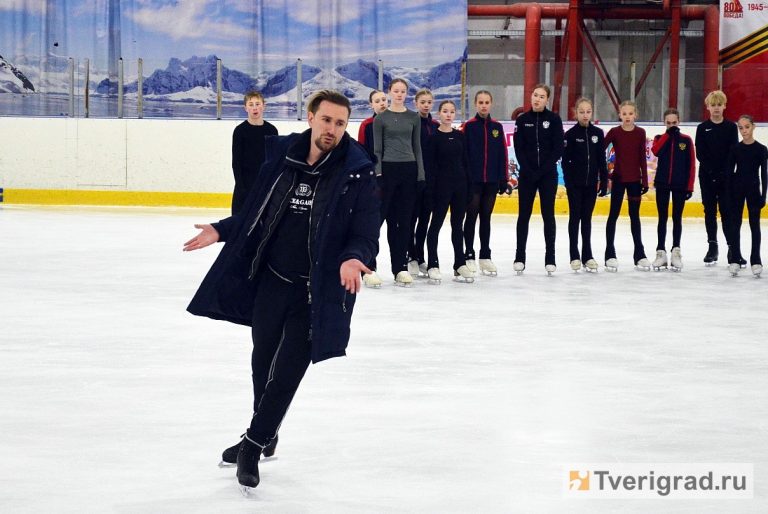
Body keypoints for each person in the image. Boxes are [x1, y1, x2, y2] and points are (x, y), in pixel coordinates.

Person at [183, 90, 380, 494]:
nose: (332, 130)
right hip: (272, 280)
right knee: (262, 363)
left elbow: (365, 233)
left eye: (340, 123)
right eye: (326, 120)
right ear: (311, 117)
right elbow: (255, 212)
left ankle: (253, 445)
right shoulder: (283, 158)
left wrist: (352, 257)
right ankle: (267, 432)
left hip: (316, 291)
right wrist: (221, 229)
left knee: (288, 371)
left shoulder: (356, 171)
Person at [373, 78, 425, 286]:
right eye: (396, 91)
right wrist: (378, 173)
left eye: (403, 91)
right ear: (390, 92)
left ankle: (400, 267)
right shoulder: (381, 119)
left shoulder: (414, 117)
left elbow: (417, 147)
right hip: (388, 171)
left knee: (403, 222)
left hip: (409, 171)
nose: (399, 94)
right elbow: (377, 149)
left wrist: (420, 175)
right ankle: (369, 266)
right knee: (378, 220)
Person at [513, 84, 564, 274]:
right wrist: (528, 169)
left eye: (542, 96)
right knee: (523, 215)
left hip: (547, 175)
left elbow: (558, 147)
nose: (537, 99)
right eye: (535, 95)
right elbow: (519, 148)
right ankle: (520, 256)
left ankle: (550, 257)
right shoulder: (522, 120)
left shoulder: (554, 120)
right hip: (527, 175)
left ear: (547, 100)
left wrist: (543, 170)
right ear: (531, 97)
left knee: (548, 215)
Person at [424, 100, 475, 283]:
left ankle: (459, 263)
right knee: (435, 225)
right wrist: (430, 191)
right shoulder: (433, 138)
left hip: (460, 186)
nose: (448, 115)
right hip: (441, 188)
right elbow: (430, 168)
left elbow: (466, 162)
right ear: (439, 114)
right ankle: (433, 264)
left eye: (452, 112)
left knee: (457, 226)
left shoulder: (460, 136)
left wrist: (469, 187)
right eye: (445, 111)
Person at [462, 90, 509, 275]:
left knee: (486, 218)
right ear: (475, 104)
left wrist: (503, 178)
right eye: (480, 102)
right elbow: (464, 154)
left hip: (491, 181)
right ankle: (469, 254)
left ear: (491, 104)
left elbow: (502, 154)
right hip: (473, 181)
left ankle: (485, 256)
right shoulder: (469, 127)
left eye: (486, 102)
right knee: (471, 217)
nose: (483, 105)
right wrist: (465, 178)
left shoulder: (497, 127)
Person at [603, 100, 651, 271]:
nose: (627, 117)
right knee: (613, 215)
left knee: (634, 216)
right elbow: (600, 148)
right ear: (620, 115)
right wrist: (605, 174)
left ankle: (640, 254)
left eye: (630, 113)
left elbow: (642, 158)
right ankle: (609, 253)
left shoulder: (640, 133)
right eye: (624, 114)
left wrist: (645, 181)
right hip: (618, 180)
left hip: (634, 181)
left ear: (635, 115)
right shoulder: (614, 132)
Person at [561, 97, 608, 273]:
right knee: (575, 218)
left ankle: (587, 255)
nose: (585, 115)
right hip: (575, 185)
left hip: (591, 184)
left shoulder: (598, 133)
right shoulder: (570, 135)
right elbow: (565, 162)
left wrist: (603, 180)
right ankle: (574, 255)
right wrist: (569, 182)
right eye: (581, 112)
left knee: (587, 219)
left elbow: (601, 160)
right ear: (576, 113)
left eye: (588, 112)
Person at [695, 90, 740, 266]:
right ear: (707, 107)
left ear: (724, 106)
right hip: (707, 176)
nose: (716, 108)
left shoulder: (730, 127)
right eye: (713, 105)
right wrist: (712, 173)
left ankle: (732, 247)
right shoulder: (702, 128)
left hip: (726, 177)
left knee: (727, 211)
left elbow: (733, 152)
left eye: (719, 105)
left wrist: (724, 173)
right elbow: (701, 153)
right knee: (710, 211)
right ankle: (712, 246)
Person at [650, 108, 696, 271]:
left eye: (674, 123)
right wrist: (668, 135)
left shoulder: (686, 140)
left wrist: (689, 186)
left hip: (679, 185)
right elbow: (656, 151)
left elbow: (691, 164)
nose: (672, 126)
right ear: (664, 123)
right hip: (662, 183)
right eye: (668, 123)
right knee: (662, 218)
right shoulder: (659, 138)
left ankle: (676, 251)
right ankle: (660, 252)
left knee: (677, 218)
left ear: (679, 122)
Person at [725, 114, 767, 277]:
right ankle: (735, 258)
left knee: (754, 225)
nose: (744, 131)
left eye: (747, 127)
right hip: (737, 189)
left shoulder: (761, 149)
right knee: (735, 224)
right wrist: (728, 194)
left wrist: (763, 195)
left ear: (753, 127)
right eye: (741, 128)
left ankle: (756, 260)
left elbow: (764, 174)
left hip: (753, 189)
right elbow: (729, 173)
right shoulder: (735, 149)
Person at [357, 89, 388, 287]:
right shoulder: (367, 125)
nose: (382, 103)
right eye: (377, 101)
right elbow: (362, 152)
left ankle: (402, 266)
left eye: (384, 99)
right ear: (371, 105)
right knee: (372, 227)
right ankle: (368, 268)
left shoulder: (397, 123)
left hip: (396, 180)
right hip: (375, 182)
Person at [408, 88, 440, 277]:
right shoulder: (411, 123)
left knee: (424, 220)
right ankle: (411, 256)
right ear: (416, 103)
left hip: (431, 181)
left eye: (429, 102)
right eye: (423, 102)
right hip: (414, 179)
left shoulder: (435, 125)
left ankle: (420, 256)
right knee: (411, 219)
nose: (426, 105)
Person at [231, 91, 278, 215]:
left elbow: (274, 160)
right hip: (245, 185)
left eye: (257, 104)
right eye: (251, 104)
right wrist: (240, 187)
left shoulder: (271, 130)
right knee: (239, 220)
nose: (254, 108)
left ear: (263, 106)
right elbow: (236, 162)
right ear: (245, 108)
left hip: (265, 184)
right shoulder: (240, 131)